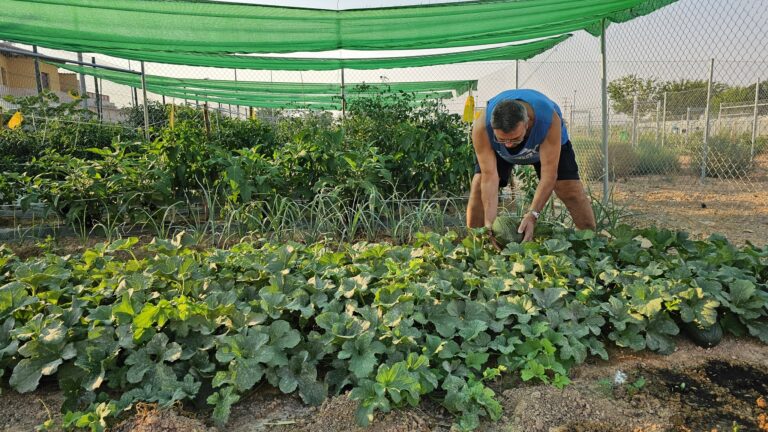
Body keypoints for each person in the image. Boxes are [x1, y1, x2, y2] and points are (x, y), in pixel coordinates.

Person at [467, 89, 596, 241]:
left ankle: (590, 242)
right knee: (478, 183)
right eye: (502, 139)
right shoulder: (482, 127)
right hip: (497, 152)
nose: (508, 145)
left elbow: (549, 176)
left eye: (514, 138)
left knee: (569, 188)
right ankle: (477, 241)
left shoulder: (548, 120)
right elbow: (490, 178)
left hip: (545, 144)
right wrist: (489, 223)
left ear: (527, 123)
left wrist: (533, 214)